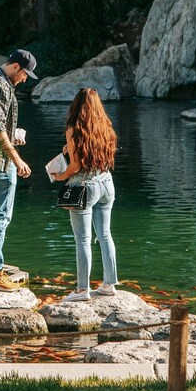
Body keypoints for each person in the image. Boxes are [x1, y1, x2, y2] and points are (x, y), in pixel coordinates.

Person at [0, 49, 37, 291]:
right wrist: (17, 158)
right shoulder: (0, 85)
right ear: (15, 67)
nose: (24, 79)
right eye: (24, 74)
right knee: (0, 217)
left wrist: (14, 138)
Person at [52, 88, 118, 302]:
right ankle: (109, 284)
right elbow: (93, 153)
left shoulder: (73, 128)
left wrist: (61, 176)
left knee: (82, 239)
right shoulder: (105, 126)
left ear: (76, 105)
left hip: (85, 187)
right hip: (107, 183)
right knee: (105, 234)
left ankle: (82, 290)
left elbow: (76, 165)